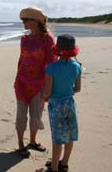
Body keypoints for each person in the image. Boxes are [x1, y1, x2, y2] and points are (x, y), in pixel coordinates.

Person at [14, 7, 57, 158]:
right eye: (22, 20)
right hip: (21, 83)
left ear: (37, 21)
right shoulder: (24, 40)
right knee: (21, 115)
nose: (23, 22)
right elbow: (21, 61)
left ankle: (32, 141)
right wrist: (17, 79)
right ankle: (20, 143)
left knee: (36, 116)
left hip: (40, 83)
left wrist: (49, 88)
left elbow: (52, 64)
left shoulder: (48, 39)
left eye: (26, 20)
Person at [36, 34, 82, 172]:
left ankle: (54, 168)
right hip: (70, 103)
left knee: (57, 138)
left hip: (56, 105)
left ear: (58, 49)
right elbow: (77, 89)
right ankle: (64, 163)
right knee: (70, 134)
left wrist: (43, 96)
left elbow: (47, 91)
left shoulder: (52, 67)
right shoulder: (77, 67)